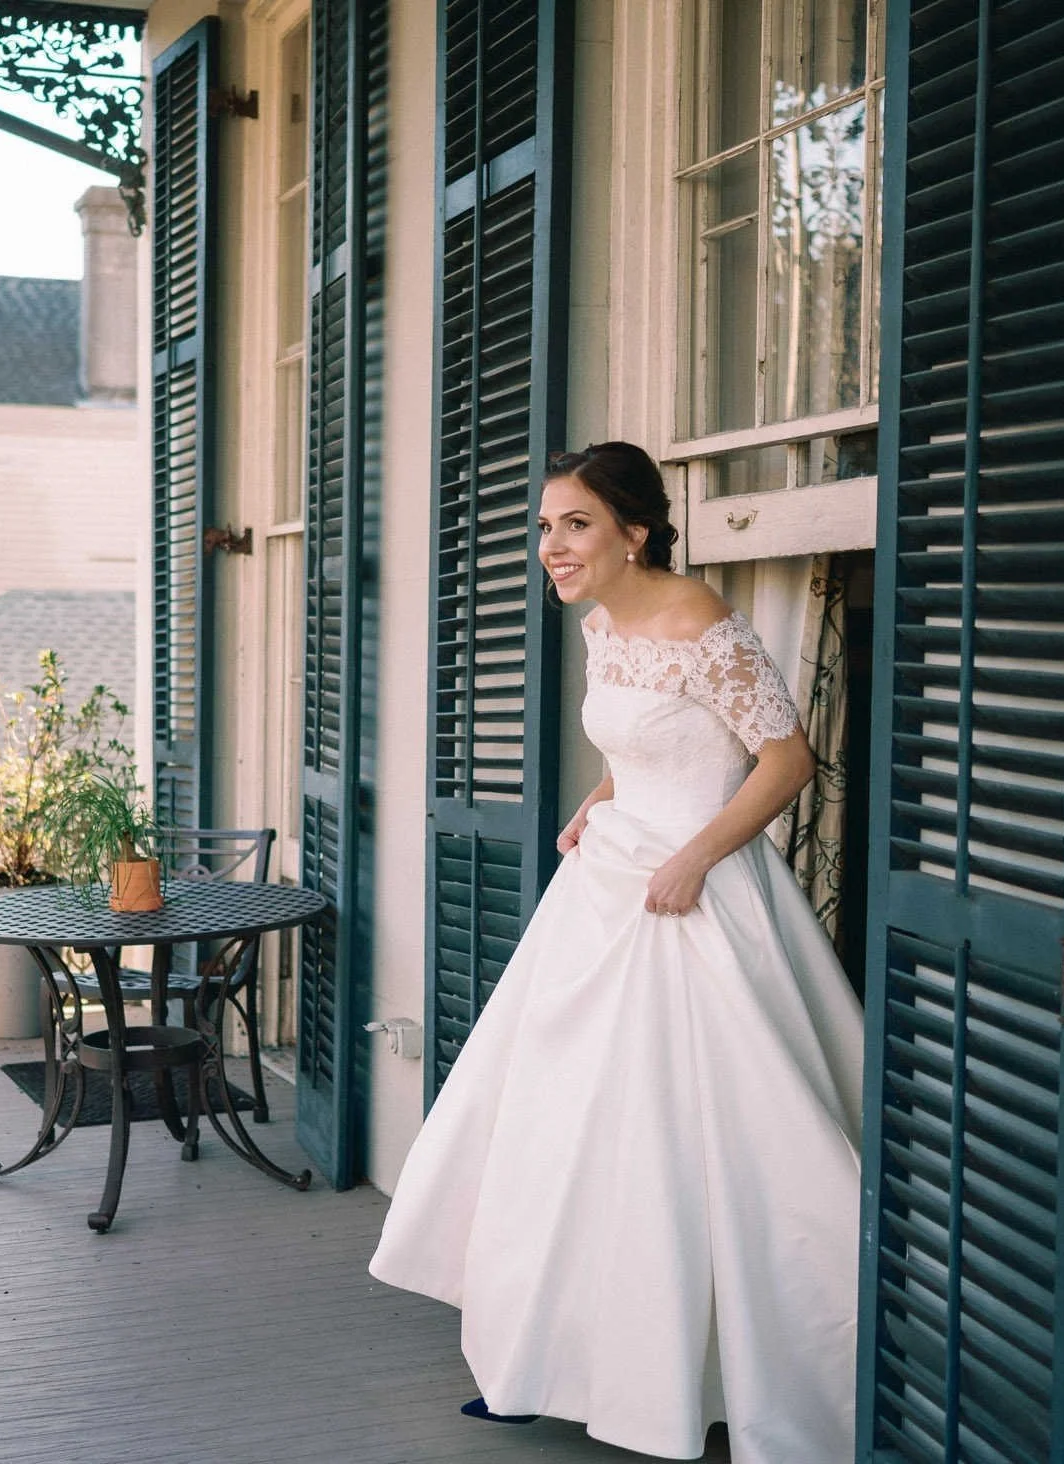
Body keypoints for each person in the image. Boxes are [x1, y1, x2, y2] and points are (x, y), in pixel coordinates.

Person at [368, 442, 865, 1462]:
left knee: (688, 1142)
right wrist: (593, 803)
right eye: (545, 525)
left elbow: (784, 760)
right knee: (564, 1129)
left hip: (695, 898)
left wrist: (692, 858)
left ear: (635, 530)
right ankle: (539, 1362)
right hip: (600, 890)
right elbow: (639, 743)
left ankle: (715, 1376)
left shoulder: (702, 619)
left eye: (575, 523)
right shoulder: (601, 624)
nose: (551, 544)